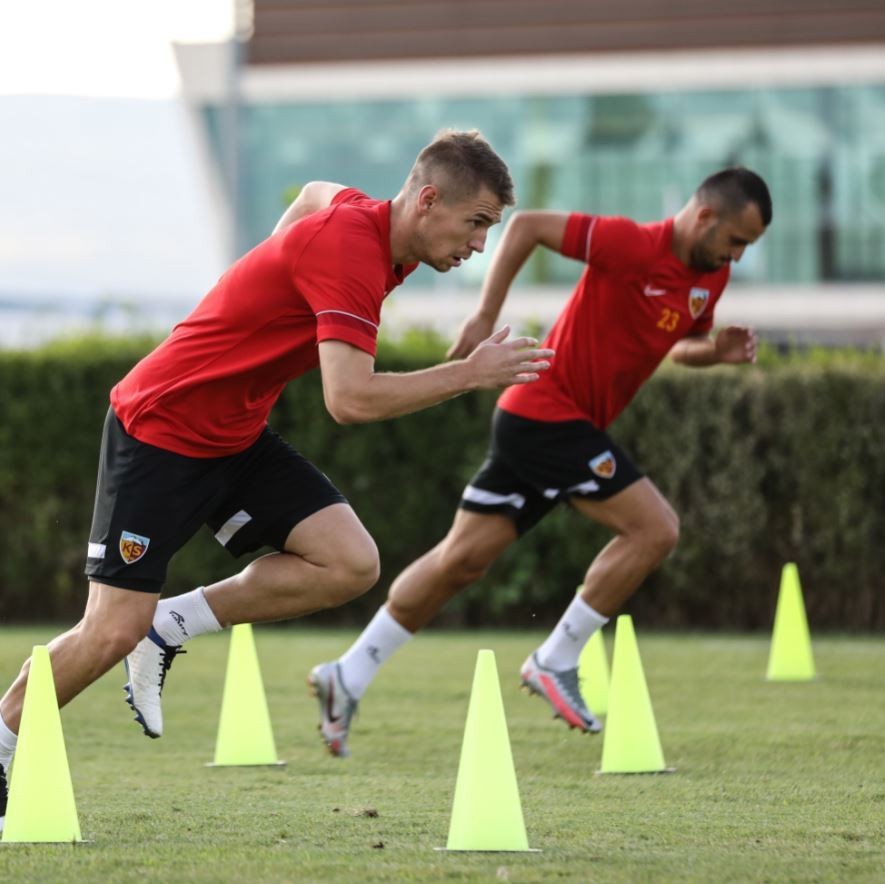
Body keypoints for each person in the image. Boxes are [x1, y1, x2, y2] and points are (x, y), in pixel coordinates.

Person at [0, 130, 554, 831]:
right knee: (109, 630)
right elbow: (349, 400)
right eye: (475, 223)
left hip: (234, 437)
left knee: (348, 562)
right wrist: (468, 375)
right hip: (161, 429)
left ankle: (169, 626)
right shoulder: (352, 253)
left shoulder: (371, 225)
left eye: (488, 228)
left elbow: (316, 190)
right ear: (427, 200)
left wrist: (264, 270)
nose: (479, 244)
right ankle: (3, 739)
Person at [310, 167, 772, 757]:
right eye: (736, 240)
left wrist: (715, 352)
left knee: (460, 561)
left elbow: (679, 344)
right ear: (705, 217)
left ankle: (347, 674)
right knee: (655, 529)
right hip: (550, 415)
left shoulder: (711, 275)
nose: (738, 255)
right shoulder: (631, 244)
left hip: (539, 424)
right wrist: (484, 316)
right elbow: (526, 226)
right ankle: (556, 658)